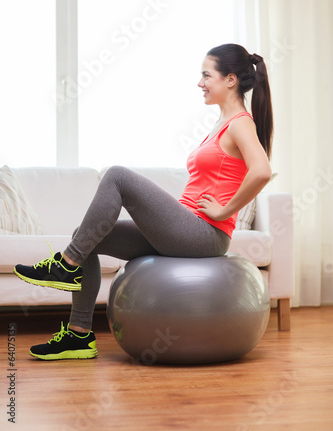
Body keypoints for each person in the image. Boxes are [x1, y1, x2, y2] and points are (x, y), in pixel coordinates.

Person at [14, 43, 273, 360]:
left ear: (230, 79)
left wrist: (225, 210)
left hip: (204, 234)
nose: (199, 82)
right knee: (86, 235)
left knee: (117, 176)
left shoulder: (240, 123)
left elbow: (261, 171)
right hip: (187, 230)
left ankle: (63, 266)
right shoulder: (220, 124)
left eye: (206, 75)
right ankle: (78, 336)